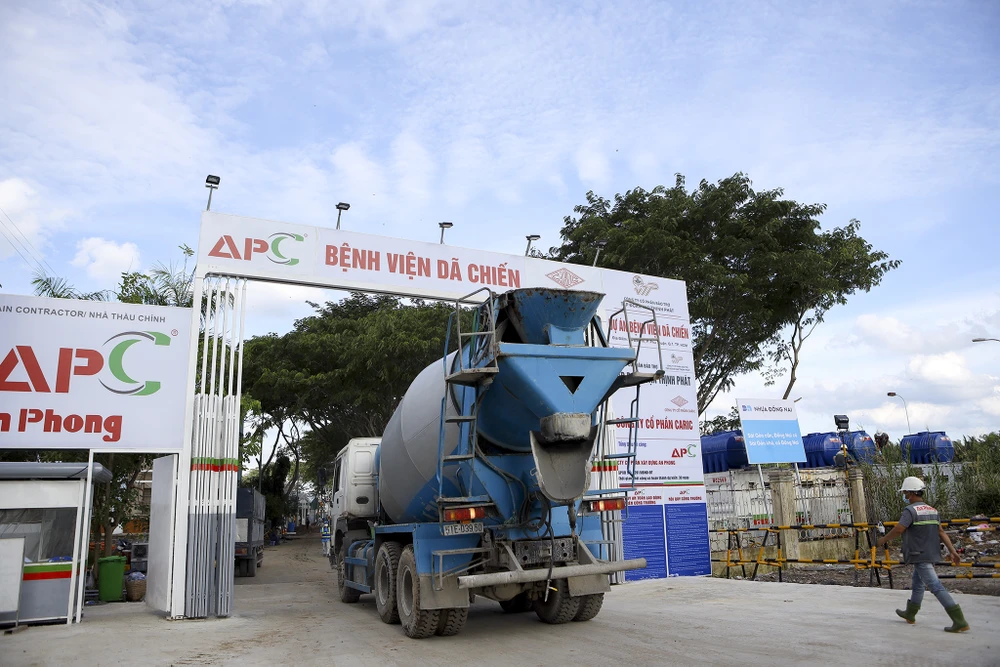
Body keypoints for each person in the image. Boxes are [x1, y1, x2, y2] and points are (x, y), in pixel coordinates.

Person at [876, 476, 970, 632]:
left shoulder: (910, 510)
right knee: (918, 582)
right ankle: (910, 613)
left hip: (918, 554)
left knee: (935, 586)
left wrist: (882, 540)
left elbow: (899, 529)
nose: (905, 496)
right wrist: (953, 551)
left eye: (905, 493)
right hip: (931, 553)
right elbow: (941, 532)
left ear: (911, 493)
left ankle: (959, 620)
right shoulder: (932, 510)